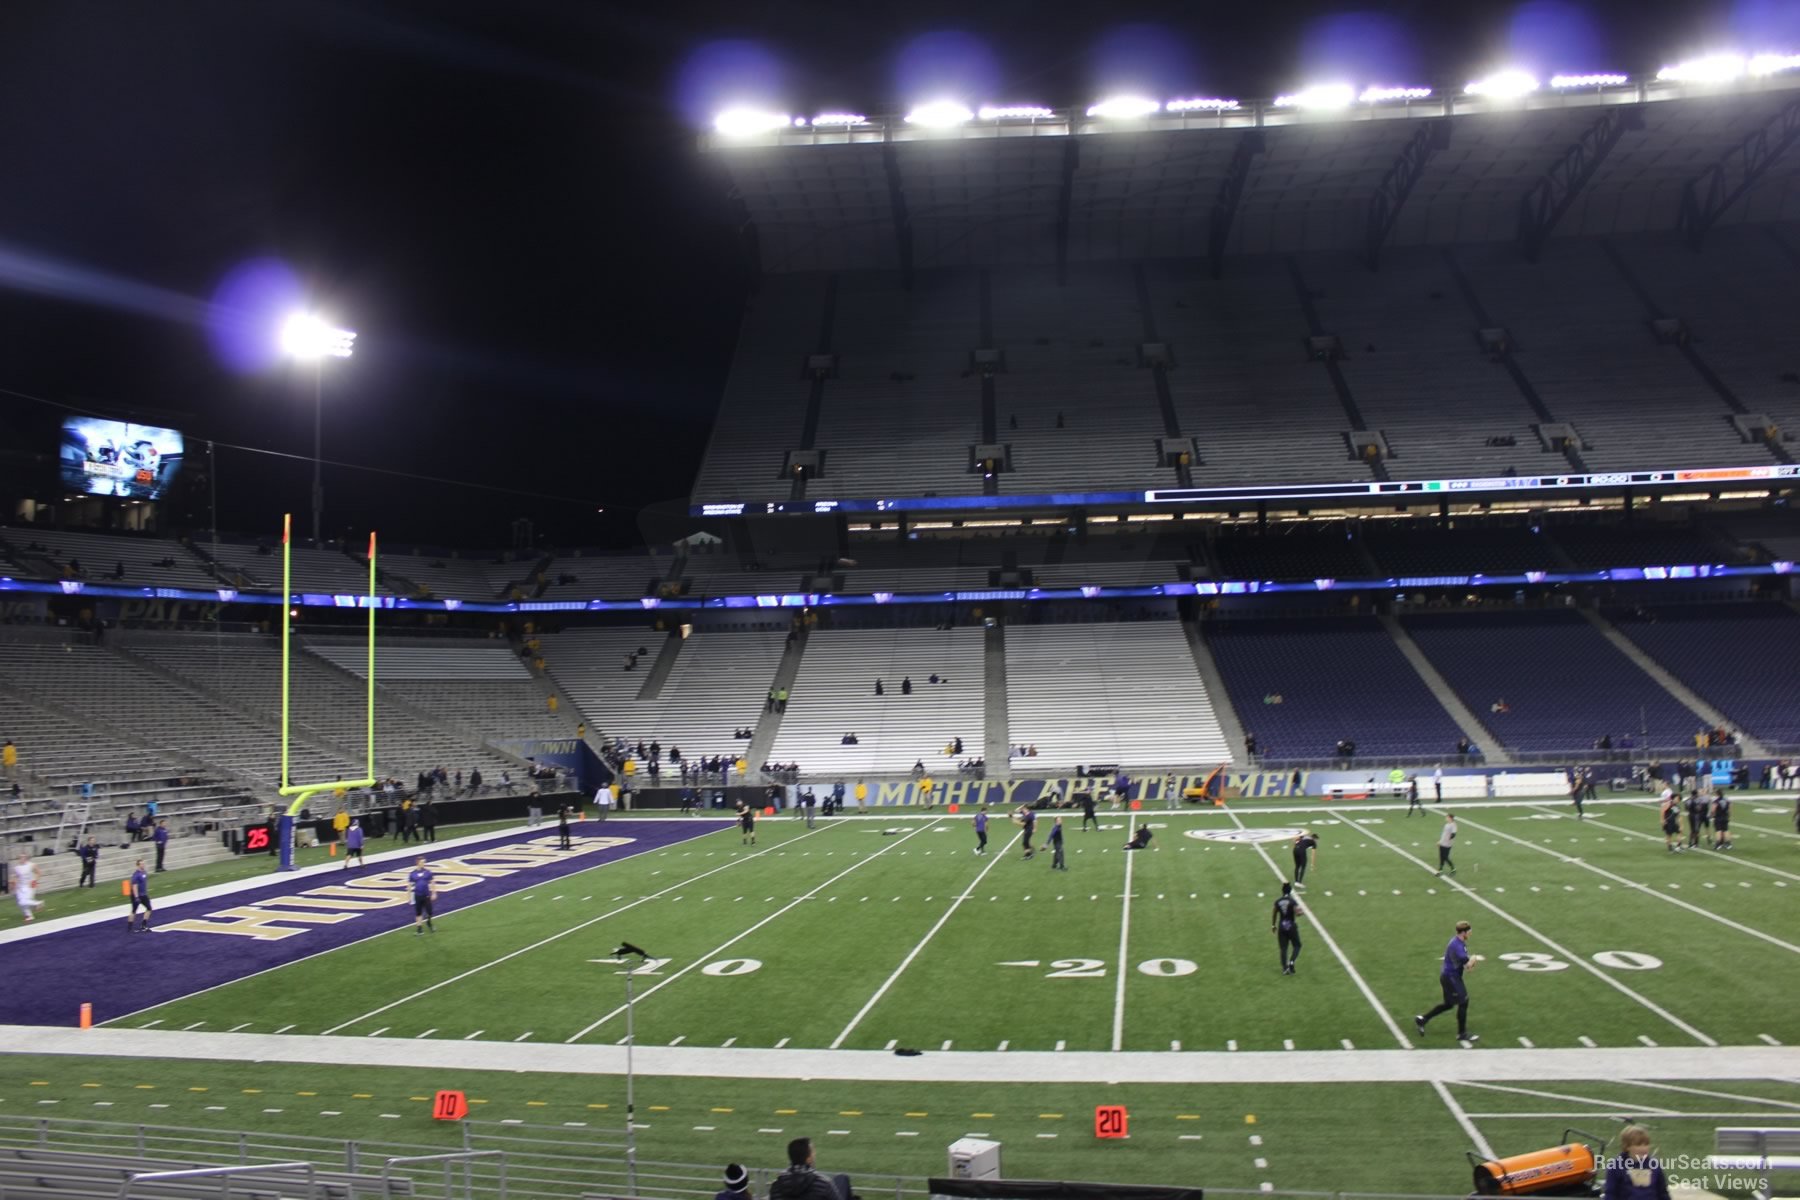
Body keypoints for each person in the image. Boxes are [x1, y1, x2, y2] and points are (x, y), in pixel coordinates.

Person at [1415, 920, 1478, 1044]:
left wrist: (1471, 961)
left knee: (1449, 1004)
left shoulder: (1457, 942)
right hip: (1451, 977)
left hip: (1448, 976)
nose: (1470, 934)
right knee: (1464, 1001)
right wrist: (1474, 959)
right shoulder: (1458, 946)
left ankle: (1423, 1019)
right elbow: (1468, 967)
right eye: (1469, 932)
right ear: (1463, 932)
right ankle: (1462, 1033)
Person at [1602, 1124, 1672, 1200]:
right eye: (1638, 1145)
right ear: (1627, 1146)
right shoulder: (1615, 1166)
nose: (1643, 1148)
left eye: (1646, 1144)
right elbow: (1610, 1194)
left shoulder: (1654, 1165)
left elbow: (1663, 1193)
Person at [768, 1137, 848, 1200]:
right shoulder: (822, 1183)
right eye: (813, 1152)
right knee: (842, 1179)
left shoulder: (777, 1186)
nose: (815, 1155)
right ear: (808, 1159)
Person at [1272, 881, 1302, 975]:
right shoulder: (1292, 901)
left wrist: (1273, 925)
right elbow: (1297, 913)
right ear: (1290, 892)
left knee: (1283, 948)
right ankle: (1292, 962)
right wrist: (1302, 912)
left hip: (1281, 926)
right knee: (1297, 945)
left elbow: (1274, 913)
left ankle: (1285, 968)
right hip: (1291, 926)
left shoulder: (1278, 901)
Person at [12, 852, 43, 922]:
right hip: (20, 887)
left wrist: (35, 880)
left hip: (29, 886)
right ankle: (29, 916)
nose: (21, 859)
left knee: (23, 901)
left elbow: (39, 873)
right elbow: (16, 877)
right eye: (19, 857)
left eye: (23, 857)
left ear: (26, 858)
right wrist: (14, 884)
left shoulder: (31, 865)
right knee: (20, 903)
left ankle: (38, 903)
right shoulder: (16, 867)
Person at [409, 856, 436, 934]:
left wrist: (434, 893)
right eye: (422, 862)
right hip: (417, 895)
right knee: (418, 913)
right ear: (418, 863)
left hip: (426, 895)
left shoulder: (428, 872)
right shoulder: (412, 874)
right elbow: (409, 885)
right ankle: (419, 929)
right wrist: (409, 897)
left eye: (424, 862)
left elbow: (432, 882)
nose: (424, 863)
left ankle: (428, 921)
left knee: (430, 912)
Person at [127, 858, 151, 932]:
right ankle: (130, 928)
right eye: (141, 864)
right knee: (134, 911)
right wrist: (136, 897)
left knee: (149, 908)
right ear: (138, 865)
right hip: (136, 895)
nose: (143, 865)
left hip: (143, 894)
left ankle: (143, 925)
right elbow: (134, 886)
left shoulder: (144, 872)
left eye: (144, 864)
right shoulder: (136, 875)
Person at [1660, 787, 1682, 852]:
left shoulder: (1677, 806)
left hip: (1674, 822)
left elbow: (1679, 816)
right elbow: (1662, 811)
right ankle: (1670, 847)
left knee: (1679, 832)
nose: (1677, 800)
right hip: (1668, 822)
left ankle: (1678, 846)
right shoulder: (1669, 804)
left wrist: (1681, 825)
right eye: (1677, 798)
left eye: (1678, 799)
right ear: (1673, 798)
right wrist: (1662, 820)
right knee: (1669, 835)